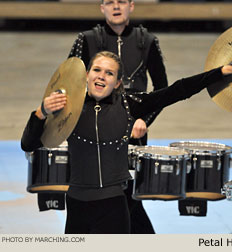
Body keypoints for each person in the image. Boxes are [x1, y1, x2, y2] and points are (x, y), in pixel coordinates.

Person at [21, 49, 232, 234]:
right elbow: (28, 145)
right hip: (76, 204)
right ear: (86, 75)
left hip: (113, 206)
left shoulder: (129, 104)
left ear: (117, 81)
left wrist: (221, 71)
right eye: (97, 70)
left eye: (109, 73)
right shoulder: (66, 106)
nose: (102, 76)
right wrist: (40, 113)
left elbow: (178, 90)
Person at [67, 0, 168, 233]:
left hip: (135, 127)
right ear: (101, 7)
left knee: (130, 192)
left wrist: (145, 119)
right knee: (106, 193)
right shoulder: (87, 39)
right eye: (109, 2)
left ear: (131, 6)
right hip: (93, 125)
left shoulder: (148, 41)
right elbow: (69, 79)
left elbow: (161, 88)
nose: (116, 6)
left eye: (121, 1)